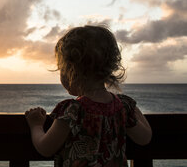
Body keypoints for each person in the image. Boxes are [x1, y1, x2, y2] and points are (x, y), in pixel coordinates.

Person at [25, 25, 152, 167]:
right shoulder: (122, 106)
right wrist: (131, 108)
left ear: (72, 71)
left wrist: (36, 125)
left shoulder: (73, 111)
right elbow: (145, 137)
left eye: (61, 69)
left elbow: (46, 148)